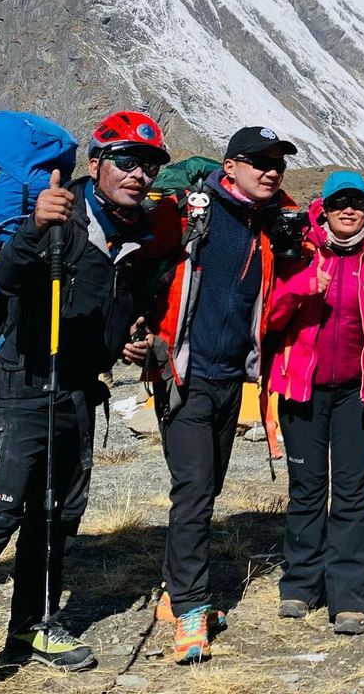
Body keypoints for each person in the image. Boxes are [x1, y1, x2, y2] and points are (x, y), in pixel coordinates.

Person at [0, 112, 171, 694]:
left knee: (57, 514)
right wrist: (32, 227)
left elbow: (114, 306)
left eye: (149, 165)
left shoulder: (134, 232)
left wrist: (131, 340)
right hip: (25, 382)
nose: (139, 174)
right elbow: (4, 278)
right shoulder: (58, 211)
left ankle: (34, 626)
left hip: (80, 389)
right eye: (126, 160)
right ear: (96, 163)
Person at [135, 126, 299, 663]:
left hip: (231, 378)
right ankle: (189, 611)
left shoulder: (265, 225)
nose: (271, 170)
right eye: (258, 161)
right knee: (195, 491)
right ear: (230, 166)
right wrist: (140, 336)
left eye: (277, 162)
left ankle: (174, 591)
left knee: (208, 488)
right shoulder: (192, 215)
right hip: (185, 377)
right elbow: (139, 268)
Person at [268, 171, 364, 635]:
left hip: (355, 395)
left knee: (352, 495)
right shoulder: (301, 253)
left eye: (357, 201)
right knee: (307, 490)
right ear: (325, 206)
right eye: (340, 201)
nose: (349, 209)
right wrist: (301, 287)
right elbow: (271, 320)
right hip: (301, 392)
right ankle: (300, 585)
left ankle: (351, 595)